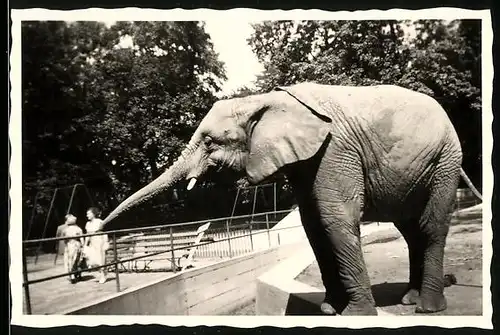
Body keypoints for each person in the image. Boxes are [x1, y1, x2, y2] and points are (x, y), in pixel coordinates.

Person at [83, 207, 109, 284]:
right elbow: (88, 235)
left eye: (89, 214)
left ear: (94, 214)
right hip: (92, 243)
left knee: (100, 259)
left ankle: (103, 275)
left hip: (99, 241)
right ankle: (102, 274)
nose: (87, 215)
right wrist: (85, 245)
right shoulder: (87, 224)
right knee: (92, 260)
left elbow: (103, 233)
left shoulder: (99, 222)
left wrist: (105, 242)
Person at [61, 214, 84, 283]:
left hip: (69, 245)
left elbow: (64, 239)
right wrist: (83, 245)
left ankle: (72, 275)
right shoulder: (78, 229)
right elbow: (81, 238)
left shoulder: (65, 230)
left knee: (70, 260)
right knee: (78, 260)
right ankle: (78, 274)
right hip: (76, 244)